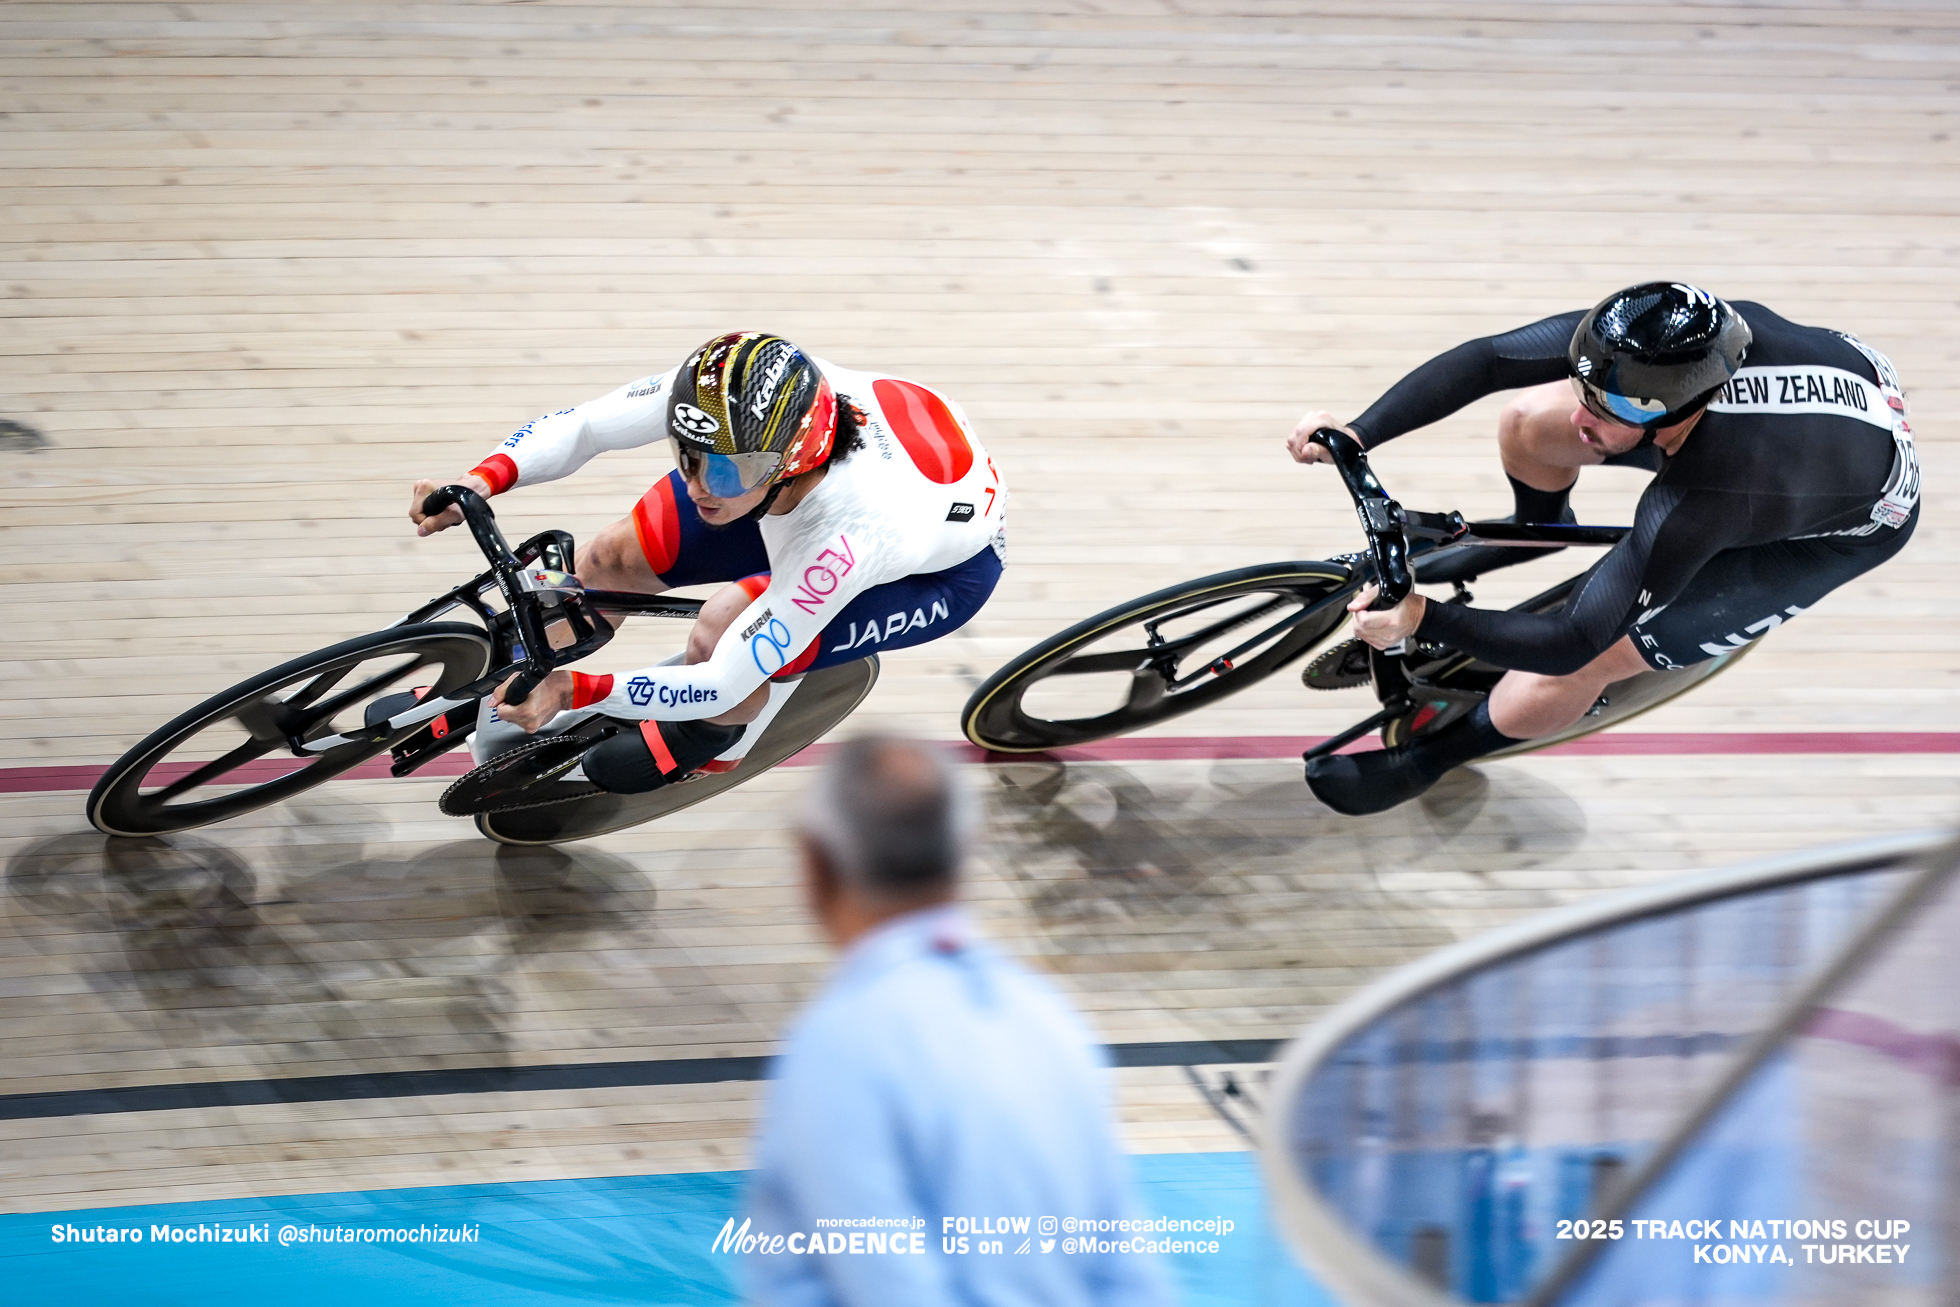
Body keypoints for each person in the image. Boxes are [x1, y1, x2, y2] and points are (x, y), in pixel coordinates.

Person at [1289, 282, 1919, 815]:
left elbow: (1571, 643)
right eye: (1586, 385)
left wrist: (1424, 617)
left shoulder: (1708, 497)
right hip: (1810, 428)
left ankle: (1436, 755)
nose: (1581, 417)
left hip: (1822, 526)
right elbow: (1489, 360)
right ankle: (1532, 528)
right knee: (1530, 419)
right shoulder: (1672, 338)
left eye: (1610, 407)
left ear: (1679, 408)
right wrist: (1359, 429)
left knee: (1601, 655)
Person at [408, 332, 1006, 793]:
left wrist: (577, 689)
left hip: (934, 573)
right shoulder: (726, 390)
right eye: (687, 457)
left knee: (721, 635)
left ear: (789, 461)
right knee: (604, 560)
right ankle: (510, 674)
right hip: (790, 498)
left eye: (721, 470)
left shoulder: (847, 539)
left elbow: (723, 679)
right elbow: (589, 425)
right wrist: (482, 480)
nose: (698, 486)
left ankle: (718, 742)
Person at [741, 735, 1173, 1307]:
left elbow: (890, 1284)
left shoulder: (842, 1046)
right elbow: (1130, 1271)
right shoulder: (1047, 1019)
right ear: (967, 849)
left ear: (815, 865)